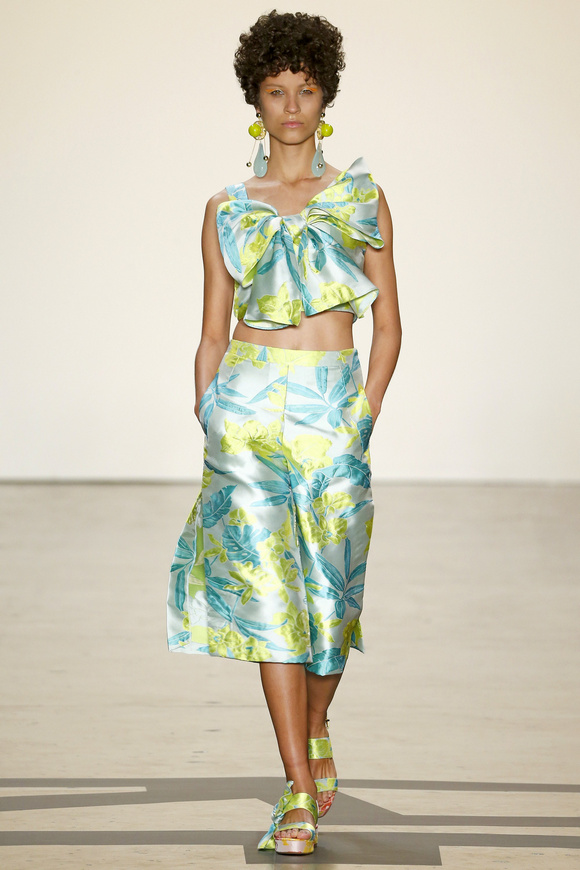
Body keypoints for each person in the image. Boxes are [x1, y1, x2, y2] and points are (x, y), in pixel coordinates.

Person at [166, 9, 401, 856]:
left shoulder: (362, 198)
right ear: (255, 100)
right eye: (276, 90)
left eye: (306, 89)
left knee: (332, 605)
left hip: (332, 408)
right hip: (248, 408)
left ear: (326, 96)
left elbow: (390, 325)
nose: (292, 106)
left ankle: (315, 727)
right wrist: (210, 411)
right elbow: (211, 327)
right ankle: (297, 789)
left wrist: (364, 412)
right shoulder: (226, 208)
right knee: (271, 603)